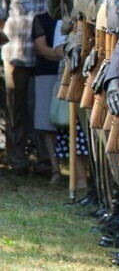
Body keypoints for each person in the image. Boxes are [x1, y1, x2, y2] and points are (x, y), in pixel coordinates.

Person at [0, 0, 50, 175]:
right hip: (16, 55)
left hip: (46, 58)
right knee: (15, 111)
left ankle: (45, 161)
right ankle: (18, 161)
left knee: (43, 111)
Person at [31, 11, 66, 182]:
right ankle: (55, 169)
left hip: (69, 74)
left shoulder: (75, 16)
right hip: (47, 73)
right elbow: (42, 49)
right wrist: (64, 56)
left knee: (72, 124)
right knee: (47, 122)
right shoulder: (42, 19)